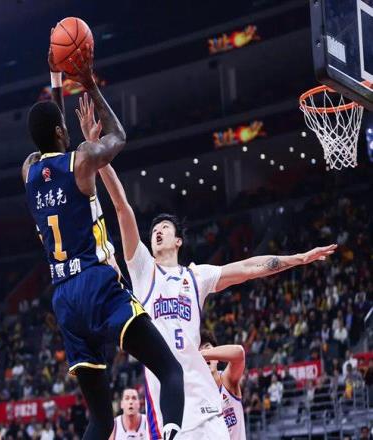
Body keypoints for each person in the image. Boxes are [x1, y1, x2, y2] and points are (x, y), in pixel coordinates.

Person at [85, 124, 336, 438]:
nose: (157, 232)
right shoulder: (143, 269)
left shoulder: (197, 276)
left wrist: (298, 258)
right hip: (169, 403)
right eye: (154, 230)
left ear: (178, 241)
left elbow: (248, 268)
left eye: (164, 229)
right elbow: (122, 208)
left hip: (206, 402)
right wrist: (100, 156)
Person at [22, 45, 184, 440]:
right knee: (169, 370)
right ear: (61, 132)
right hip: (96, 284)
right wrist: (89, 85)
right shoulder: (81, 161)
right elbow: (119, 136)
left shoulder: (28, 171)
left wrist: (55, 81)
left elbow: (52, 142)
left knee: (101, 421)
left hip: (64, 298)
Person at [200, 331, 246, 440]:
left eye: (207, 348)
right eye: (199, 350)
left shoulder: (227, 380)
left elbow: (239, 353)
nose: (204, 356)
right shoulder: (196, 393)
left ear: (217, 357)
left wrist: (203, 354)